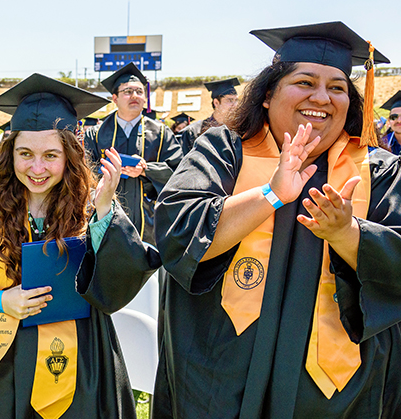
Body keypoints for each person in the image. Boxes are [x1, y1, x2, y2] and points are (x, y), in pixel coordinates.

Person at [153, 22, 401, 418]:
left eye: (338, 87)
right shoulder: (224, 150)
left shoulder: (378, 170)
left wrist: (347, 233)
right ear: (268, 95)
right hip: (220, 372)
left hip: (338, 391)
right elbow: (177, 231)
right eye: (305, 82)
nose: (322, 97)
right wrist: (270, 194)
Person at [0, 73, 160, 418]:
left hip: (84, 365)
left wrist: (107, 208)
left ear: (70, 156)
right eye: (25, 154)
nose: (37, 168)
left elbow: (121, 279)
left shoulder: (92, 211)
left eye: (51, 155)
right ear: (10, 154)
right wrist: (2, 299)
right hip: (1, 364)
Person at [84, 62, 182, 244]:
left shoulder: (161, 133)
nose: (134, 96)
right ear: (114, 98)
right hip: (106, 218)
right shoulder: (96, 134)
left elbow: (179, 171)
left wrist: (146, 170)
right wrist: (110, 170)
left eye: (139, 91)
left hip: (150, 221)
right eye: (127, 91)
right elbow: (84, 173)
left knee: (149, 268)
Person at [180, 77, 240, 154]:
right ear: (216, 103)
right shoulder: (194, 132)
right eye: (230, 100)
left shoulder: (238, 130)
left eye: (236, 100)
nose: (235, 105)